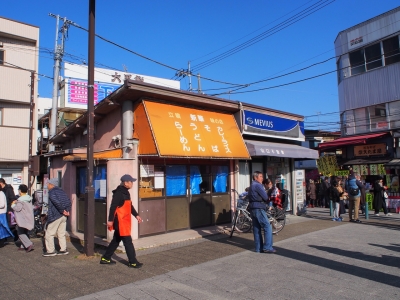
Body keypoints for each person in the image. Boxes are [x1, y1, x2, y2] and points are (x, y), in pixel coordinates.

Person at [100, 174, 143, 268]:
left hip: (124, 221)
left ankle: (106, 258)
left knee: (116, 240)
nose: (132, 184)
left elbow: (129, 206)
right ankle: (133, 262)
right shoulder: (119, 193)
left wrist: (136, 215)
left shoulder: (126, 192)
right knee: (128, 241)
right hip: (120, 221)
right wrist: (110, 220)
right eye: (131, 182)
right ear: (126, 183)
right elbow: (113, 207)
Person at [247, 171, 275, 254]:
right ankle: (267, 247)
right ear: (255, 177)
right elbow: (265, 197)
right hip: (259, 208)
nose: (262, 178)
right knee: (267, 226)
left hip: (252, 208)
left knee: (256, 228)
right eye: (260, 176)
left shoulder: (252, 185)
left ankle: (258, 248)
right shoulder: (258, 185)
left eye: (262, 176)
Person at [42, 178, 71, 257]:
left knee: (49, 233)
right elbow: (68, 201)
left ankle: (51, 251)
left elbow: (56, 202)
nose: (47, 185)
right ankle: (63, 249)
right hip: (64, 216)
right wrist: (67, 210)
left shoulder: (52, 192)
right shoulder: (62, 192)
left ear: (52, 184)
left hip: (56, 215)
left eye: (48, 184)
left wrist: (62, 210)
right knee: (61, 233)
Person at [11, 184, 34, 252]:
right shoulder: (29, 198)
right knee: (25, 231)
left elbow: (18, 208)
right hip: (28, 217)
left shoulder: (20, 200)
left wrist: (13, 204)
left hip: (22, 218)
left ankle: (29, 244)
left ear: (20, 191)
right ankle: (23, 245)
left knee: (20, 232)